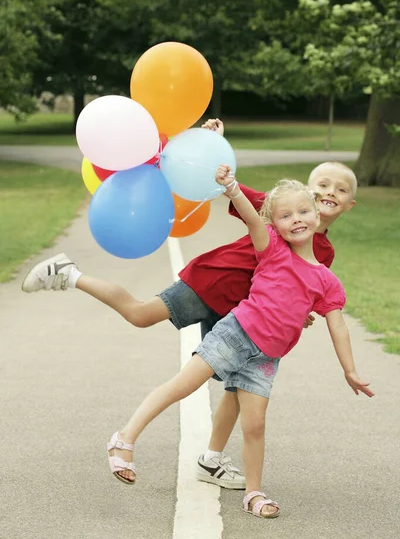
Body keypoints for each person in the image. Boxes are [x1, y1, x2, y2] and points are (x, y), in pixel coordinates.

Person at [21, 120, 357, 490]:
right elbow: (232, 190)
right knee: (140, 314)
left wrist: (301, 314)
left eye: (340, 189)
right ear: (307, 194)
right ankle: (69, 274)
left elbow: (302, 287)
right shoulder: (284, 208)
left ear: (349, 204)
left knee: (236, 387)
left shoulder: (324, 252)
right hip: (214, 282)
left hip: (245, 312)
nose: (330, 192)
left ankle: (211, 460)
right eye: (323, 185)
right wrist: (210, 147)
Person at [105, 168, 373, 520]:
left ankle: (253, 493)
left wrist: (349, 370)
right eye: (286, 215)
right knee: (182, 386)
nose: (296, 220)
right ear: (274, 224)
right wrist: (231, 187)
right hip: (235, 335)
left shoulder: (327, 278)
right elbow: (250, 214)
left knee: (255, 425)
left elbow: (338, 326)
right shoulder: (272, 248)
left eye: (303, 212)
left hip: (266, 358)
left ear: (316, 214)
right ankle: (124, 439)